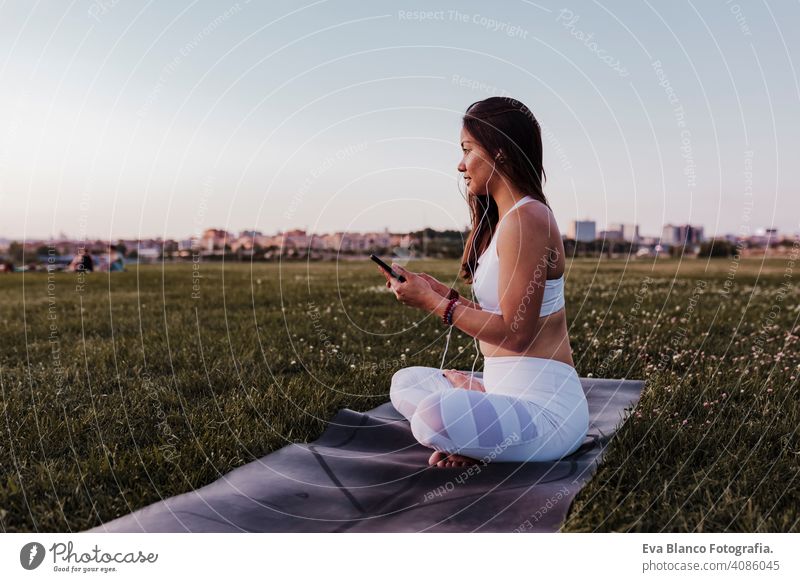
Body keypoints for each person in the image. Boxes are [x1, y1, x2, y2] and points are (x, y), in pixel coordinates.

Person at [378, 97, 588, 468]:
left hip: (545, 411)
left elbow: (516, 334)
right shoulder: (506, 222)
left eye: (467, 150)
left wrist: (432, 304)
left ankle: (480, 433)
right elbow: (500, 314)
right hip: (502, 390)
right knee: (406, 382)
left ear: (500, 152)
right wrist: (441, 293)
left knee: (433, 415)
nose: (460, 165)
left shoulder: (529, 220)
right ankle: (480, 415)